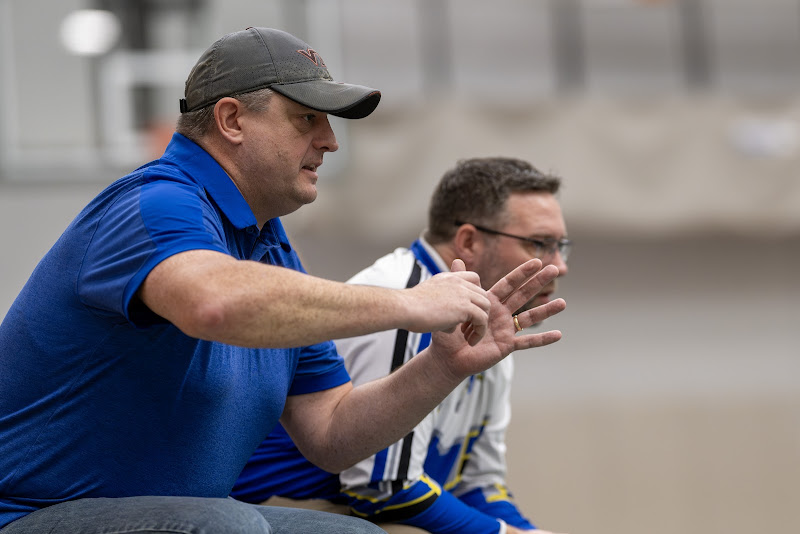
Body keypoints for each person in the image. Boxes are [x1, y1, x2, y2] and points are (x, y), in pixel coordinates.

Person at [0, 27, 566, 534]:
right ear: (230, 120)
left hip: (179, 517)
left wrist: (442, 367)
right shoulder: (156, 202)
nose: (330, 141)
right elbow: (213, 303)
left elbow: (332, 435)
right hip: (31, 515)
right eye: (307, 119)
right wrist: (408, 304)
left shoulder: (268, 247)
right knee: (226, 527)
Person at [231, 157, 571, 534]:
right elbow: (381, 488)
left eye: (562, 246)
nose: (560, 264)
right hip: (278, 509)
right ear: (469, 241)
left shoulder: (494, 316)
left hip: (360, 507)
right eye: (541, 243)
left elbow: (477, 484)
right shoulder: (403, 297)